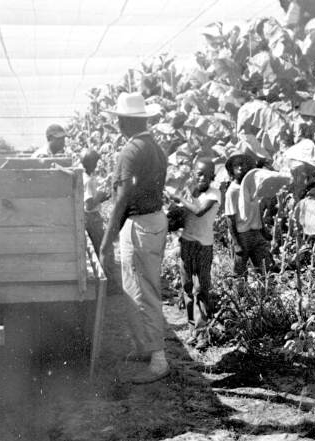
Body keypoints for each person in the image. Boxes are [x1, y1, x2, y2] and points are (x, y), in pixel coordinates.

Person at [99, 92, 169, 384]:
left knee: (142, 290)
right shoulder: (154, 147)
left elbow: (123, 196)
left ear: (126, 121)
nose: (116, 124)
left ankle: (158, 360)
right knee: (138, 287)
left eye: (118, 120)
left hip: (140, 223)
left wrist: (106, 240)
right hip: (152, 220)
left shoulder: (131, 150)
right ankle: (147, 348)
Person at [170, 159, 220, 351]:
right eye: (198, 174)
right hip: (187, 243)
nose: (202, 178)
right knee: (188, 288)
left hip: (203, 247)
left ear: (212, 177)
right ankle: (193, 331)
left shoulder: (214, 194)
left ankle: (203, 333)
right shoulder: (190, 192)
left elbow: (199, 211)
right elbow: (182, 216)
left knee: (202, 289)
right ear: (193, 174)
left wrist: (180, 198)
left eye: (206, 175)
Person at [224, 145, 272, 277]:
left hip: (256, 233)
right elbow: (230, 219)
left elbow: (256, 212)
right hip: (241, 234)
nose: (241, 168)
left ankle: (266, 295)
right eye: (237, 165)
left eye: (244, 165)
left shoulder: (252, 187)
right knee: (240, 271)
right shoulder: (232, 191)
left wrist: (263, 231)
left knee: (264, 266)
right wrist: (237, 243)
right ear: (232, 170)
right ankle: (240, 296)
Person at [80, 149, 111, 254]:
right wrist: (100, 196)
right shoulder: (88, 181)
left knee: (96, 244)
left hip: (89, 217)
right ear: (92, 164)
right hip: (92, 218)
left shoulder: (85, 176)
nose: (98, 165)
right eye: (96, 163)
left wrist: (104, 197)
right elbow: (89, 205)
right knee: (99, 244)